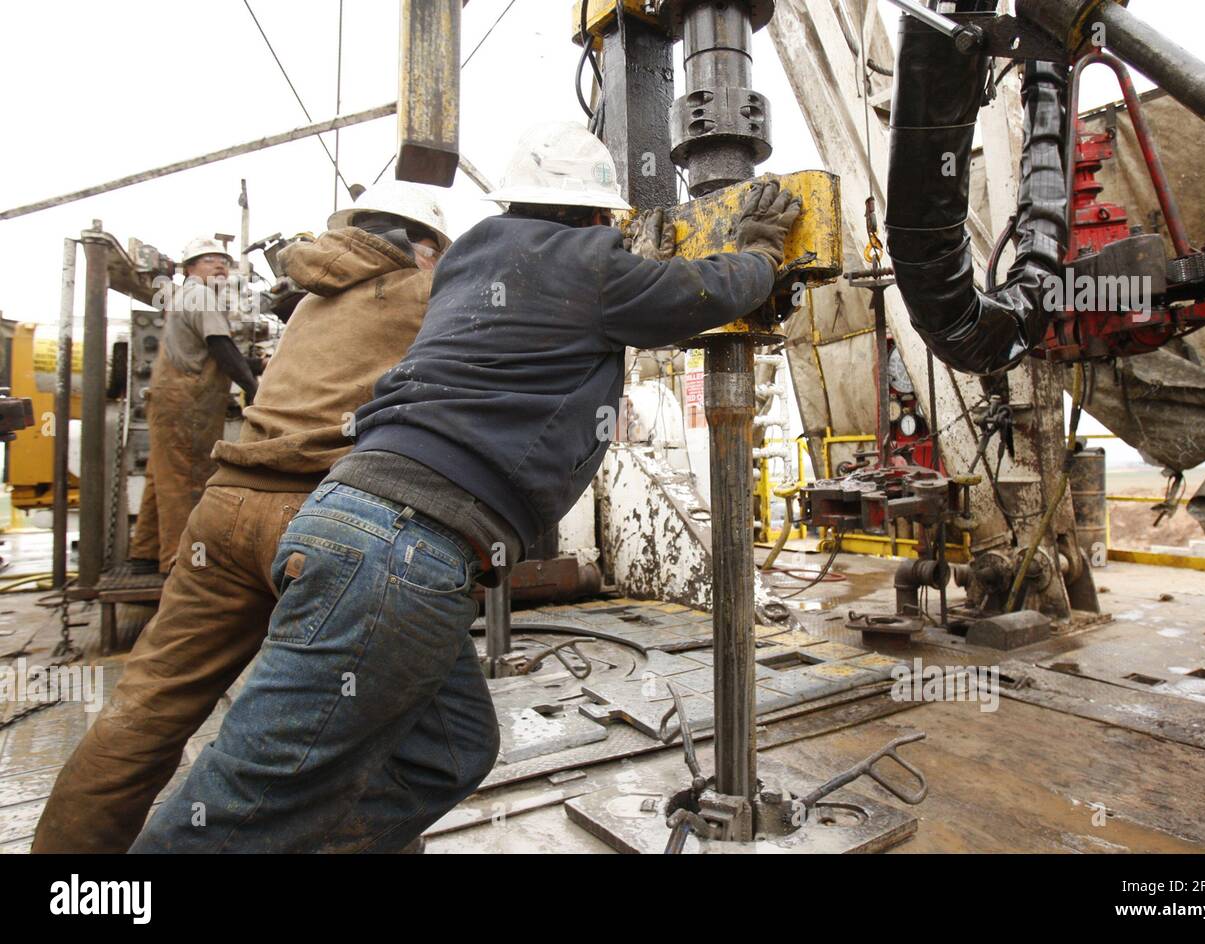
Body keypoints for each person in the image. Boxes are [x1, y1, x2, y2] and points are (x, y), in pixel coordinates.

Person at [130, 121, 801, 853]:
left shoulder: (472, 253)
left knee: (448, 751)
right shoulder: (592, 264)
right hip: (398, 557)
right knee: (237, 803)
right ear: (595, 213)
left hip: (357, 523)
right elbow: (697, 293)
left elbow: (569, 303)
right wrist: (760, 255)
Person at [32, 182, 452, 853]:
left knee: (145, 707)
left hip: (224, 508)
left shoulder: (311, 301)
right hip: (323, 520)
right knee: (362, 718)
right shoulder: (424, 294)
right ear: (421, 246)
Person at [127, 238, 258, 574]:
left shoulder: (183, 297)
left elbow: (214, 349)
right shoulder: (200, 295)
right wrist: (254, 389)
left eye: (223, 261)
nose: (219, 266)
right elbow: (220, 347)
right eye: (209, 260)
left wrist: (256, 366)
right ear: (189, 269)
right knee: (187, 480)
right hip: (188, 401)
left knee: (163, 475)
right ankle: (180, 565)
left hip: (172, 397)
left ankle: (145, 553)